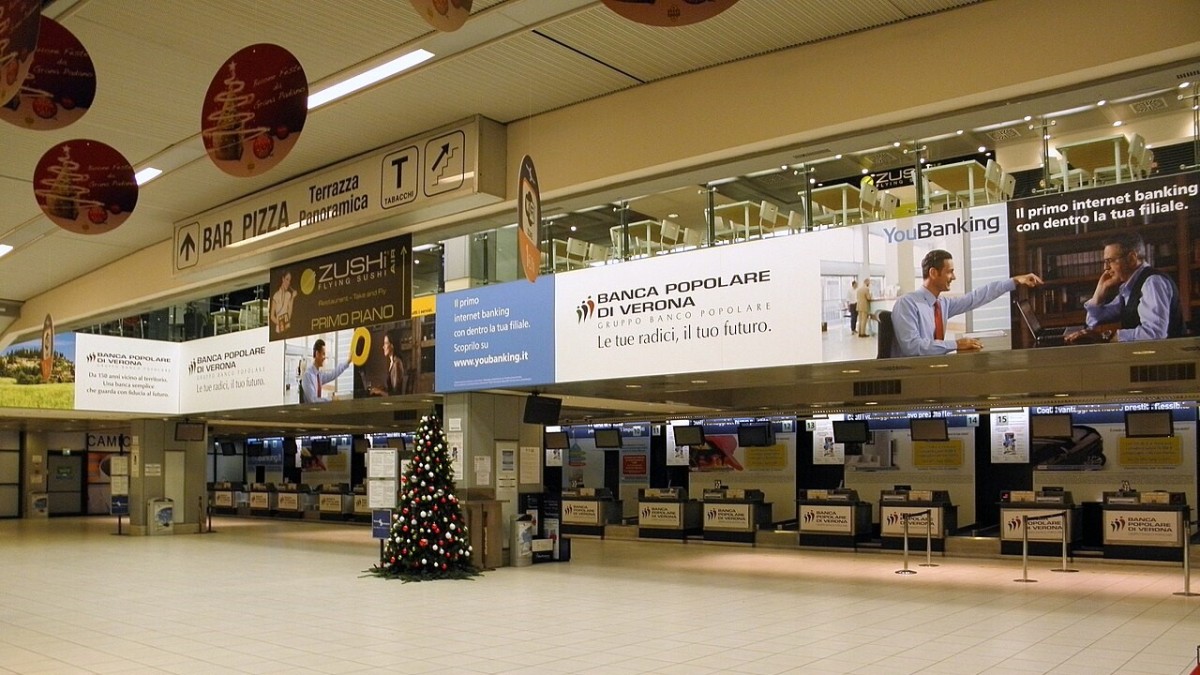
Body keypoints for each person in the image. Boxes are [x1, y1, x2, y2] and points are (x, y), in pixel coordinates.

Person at [890, 249, 1043, 357]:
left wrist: (1015, 281)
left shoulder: (942, 303)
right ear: (933, 273)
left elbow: (976, 297)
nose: (953, 277)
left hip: (933, 369)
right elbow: (912, 347)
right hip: (913, 375)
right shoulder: (907, 304)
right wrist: (955, 345)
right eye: (949, 271)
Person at [1065, 232, 1183, 344]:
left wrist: (1107, 336)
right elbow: (1093, 321)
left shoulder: (1152, 283)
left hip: (1166, 362)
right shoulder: (1130, 287)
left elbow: (1155, 334)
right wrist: (1100, 291)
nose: (1106, 268)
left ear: (1131, 259)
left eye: (1110, 261)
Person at [301, 339, 350, 403]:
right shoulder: (308, 375)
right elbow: (313, 400)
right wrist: (331, 399)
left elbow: (333, 374)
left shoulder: (319, 374)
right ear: (317, 354)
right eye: (323, 354)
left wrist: (348, 361)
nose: (324, 357)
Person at [369, 329, 407, 396]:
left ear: (392, 346)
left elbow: (395, 395)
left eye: (386, 343)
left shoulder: (397, 364)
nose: (383, 347)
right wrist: (382, 389)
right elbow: (392, 389)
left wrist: (379, 392)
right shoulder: (392, 362)